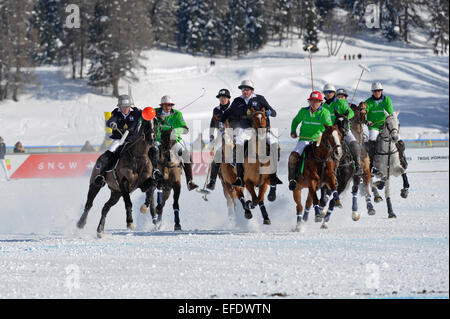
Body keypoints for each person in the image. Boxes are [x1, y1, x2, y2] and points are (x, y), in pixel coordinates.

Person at [220, 80, 282, 198]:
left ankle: (273, 175)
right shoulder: (237, 101)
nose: (244, 91)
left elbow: (274, 112)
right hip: (246, 131)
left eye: (247, 89)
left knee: (274, 143)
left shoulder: (259, 99)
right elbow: (227, 112)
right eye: (243, 89)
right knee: (238, 144)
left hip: (262, 130)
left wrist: (270, 112)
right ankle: (239, 176)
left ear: (252, 90)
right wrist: (221, 122)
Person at [94, 94, 142, 187]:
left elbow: (146, 115)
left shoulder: (136, 112)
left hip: (133, 140)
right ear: (119, 106)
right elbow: (110, 121)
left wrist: (144, 113)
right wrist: (112, 124)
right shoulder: (116, 112)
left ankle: (154, 172)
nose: (125, 109)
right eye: (123, 107)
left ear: (130, 105)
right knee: (110, 152)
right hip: (119, 139)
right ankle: (101, 175)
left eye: (127, 106)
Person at [288, 91, 333, 190]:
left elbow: (329, 128)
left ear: (321, 102)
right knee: (293, 157)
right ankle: (292, 179)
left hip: (319, 140)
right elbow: (295, 121)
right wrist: (293, 131)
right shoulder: (303, 111)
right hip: (304, 139)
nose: (314, 103)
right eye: (312, 101)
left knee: (329, 158)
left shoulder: (325, 113)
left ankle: (329, 178)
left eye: (317, 101)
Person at [154, 95, 198, 191]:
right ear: (161, 105)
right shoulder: (155, 112)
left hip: (173, 141)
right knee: (151, 154)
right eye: (165, 105)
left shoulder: (177, 114)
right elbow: (144, 116)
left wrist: (175, 131)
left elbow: (185, 129)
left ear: (172, 106)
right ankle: (151, 178)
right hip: (158, 141)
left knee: (186, 155)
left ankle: (190, 181)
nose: (167, 107)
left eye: (169, 105)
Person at [365, 82, 408, 170]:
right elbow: (364, 114)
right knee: (372, 143)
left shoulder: (387, 100)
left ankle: (402, 159)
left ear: (381, 91)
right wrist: (367, 121)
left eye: (379, 90)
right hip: (374, 127)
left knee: (399, 141)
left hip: (386, 126)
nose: (377, 92)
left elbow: (391, 114)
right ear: (372, 92)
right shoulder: (368, 102)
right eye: (375, 91)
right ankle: (372, 165)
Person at [333, 88, 363, 175]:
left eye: (342, 96)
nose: (341, 98)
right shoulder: (333, 104)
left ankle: (358, 165)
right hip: (335, 130)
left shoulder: (346, 105)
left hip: (346, 130)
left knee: (354, 144)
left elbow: (351, 113)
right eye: (339, 96)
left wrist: (345, 116)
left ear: (345, 98)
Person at [206, 88, 231, 191]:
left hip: (233, 135)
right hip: (221, 137)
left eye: (225, 97)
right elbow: (212, 124)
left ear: (228, 98)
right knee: (216, 156)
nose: (223, 99)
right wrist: (211, 135)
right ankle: (212, 181)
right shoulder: (216, 110)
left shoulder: (233, 108)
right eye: (221, 97)